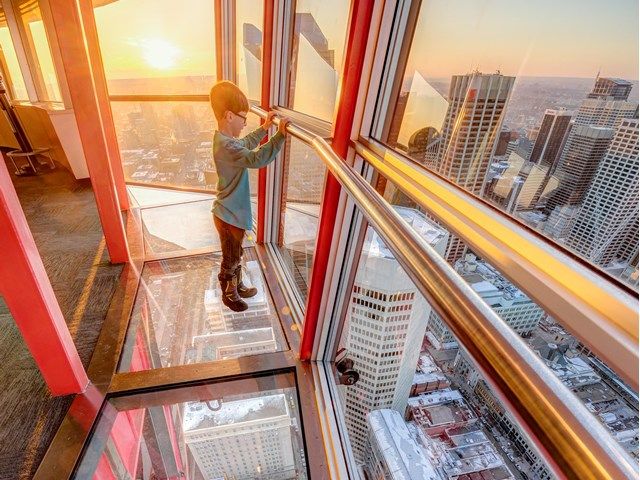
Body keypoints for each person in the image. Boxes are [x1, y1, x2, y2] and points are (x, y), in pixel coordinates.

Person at [209, 80, 289, 312]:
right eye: (243, 117)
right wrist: (279, 136)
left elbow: (245, 143)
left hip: (230, 212)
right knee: (231, 258)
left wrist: (264, 129)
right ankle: (229, 294)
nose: (245, 123)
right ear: (229, 116)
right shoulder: (227, 147)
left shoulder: (225, 141)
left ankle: (237, 284)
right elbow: (257, 159)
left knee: (236, 253)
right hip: (229, 214)